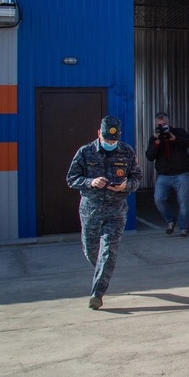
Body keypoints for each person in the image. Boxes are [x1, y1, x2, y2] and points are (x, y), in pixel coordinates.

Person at [66, 115, 142, 310]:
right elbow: (71, 178)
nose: (110, 142)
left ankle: (97, 294)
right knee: (91, 251)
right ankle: (103, 272)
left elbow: (136, 178)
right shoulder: (85, 152)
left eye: (113, 140)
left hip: (116, 210)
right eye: (107, 139)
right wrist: (90, 182)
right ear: (99, 133)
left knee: (108, 251)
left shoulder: (127, 152)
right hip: (91, 209)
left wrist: (126, 186)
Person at [144, 111, 189, 237]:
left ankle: (184, 228)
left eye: (164, 124)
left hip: (181, 173)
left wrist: (175, 138)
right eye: (160, 125)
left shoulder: (179, 132)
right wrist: (156, 142)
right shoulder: (154, 138)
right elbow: (149, 157)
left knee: (183, 201)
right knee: (159, 199)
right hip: (164, 175)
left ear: (169, 123)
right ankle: (171, 220)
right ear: (156, 125)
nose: (163, 127)